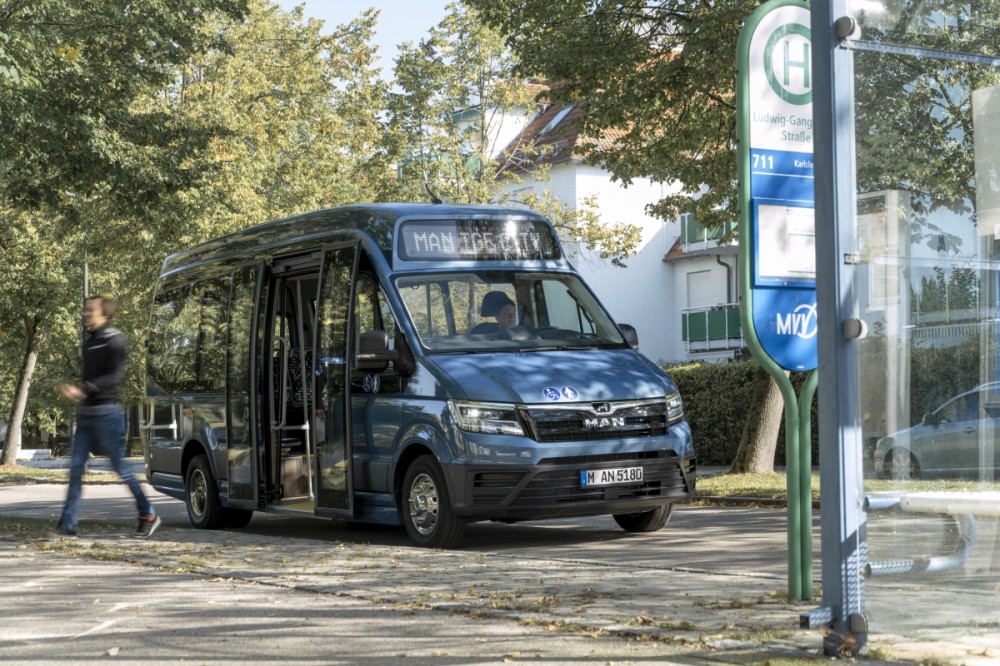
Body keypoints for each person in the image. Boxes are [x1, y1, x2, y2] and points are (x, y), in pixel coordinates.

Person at [53, 296, 161, 538]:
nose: (85, 313)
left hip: (108, 414)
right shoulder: (89, 342)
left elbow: (114, 376)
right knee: (75, 470)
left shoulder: (115, 341)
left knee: (120, 468)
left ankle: (148, 513)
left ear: (105, 316)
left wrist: (83, 389)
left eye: (90, 310)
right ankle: (67, 525)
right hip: (86, 415)